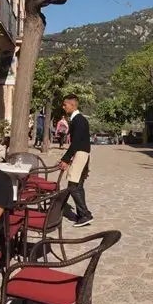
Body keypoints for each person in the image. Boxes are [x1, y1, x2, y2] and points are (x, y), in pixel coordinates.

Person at [59, 94, 93, 227]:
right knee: (78, 185)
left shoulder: (79, 120)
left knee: (73, 185)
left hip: (81, 154)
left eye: (65, 104)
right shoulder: (78, 120)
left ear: (72, 105)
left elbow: (76, 142)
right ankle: (82, 215)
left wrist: (65, 159)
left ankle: (85, 214)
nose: (63, 107)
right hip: (82, 154)